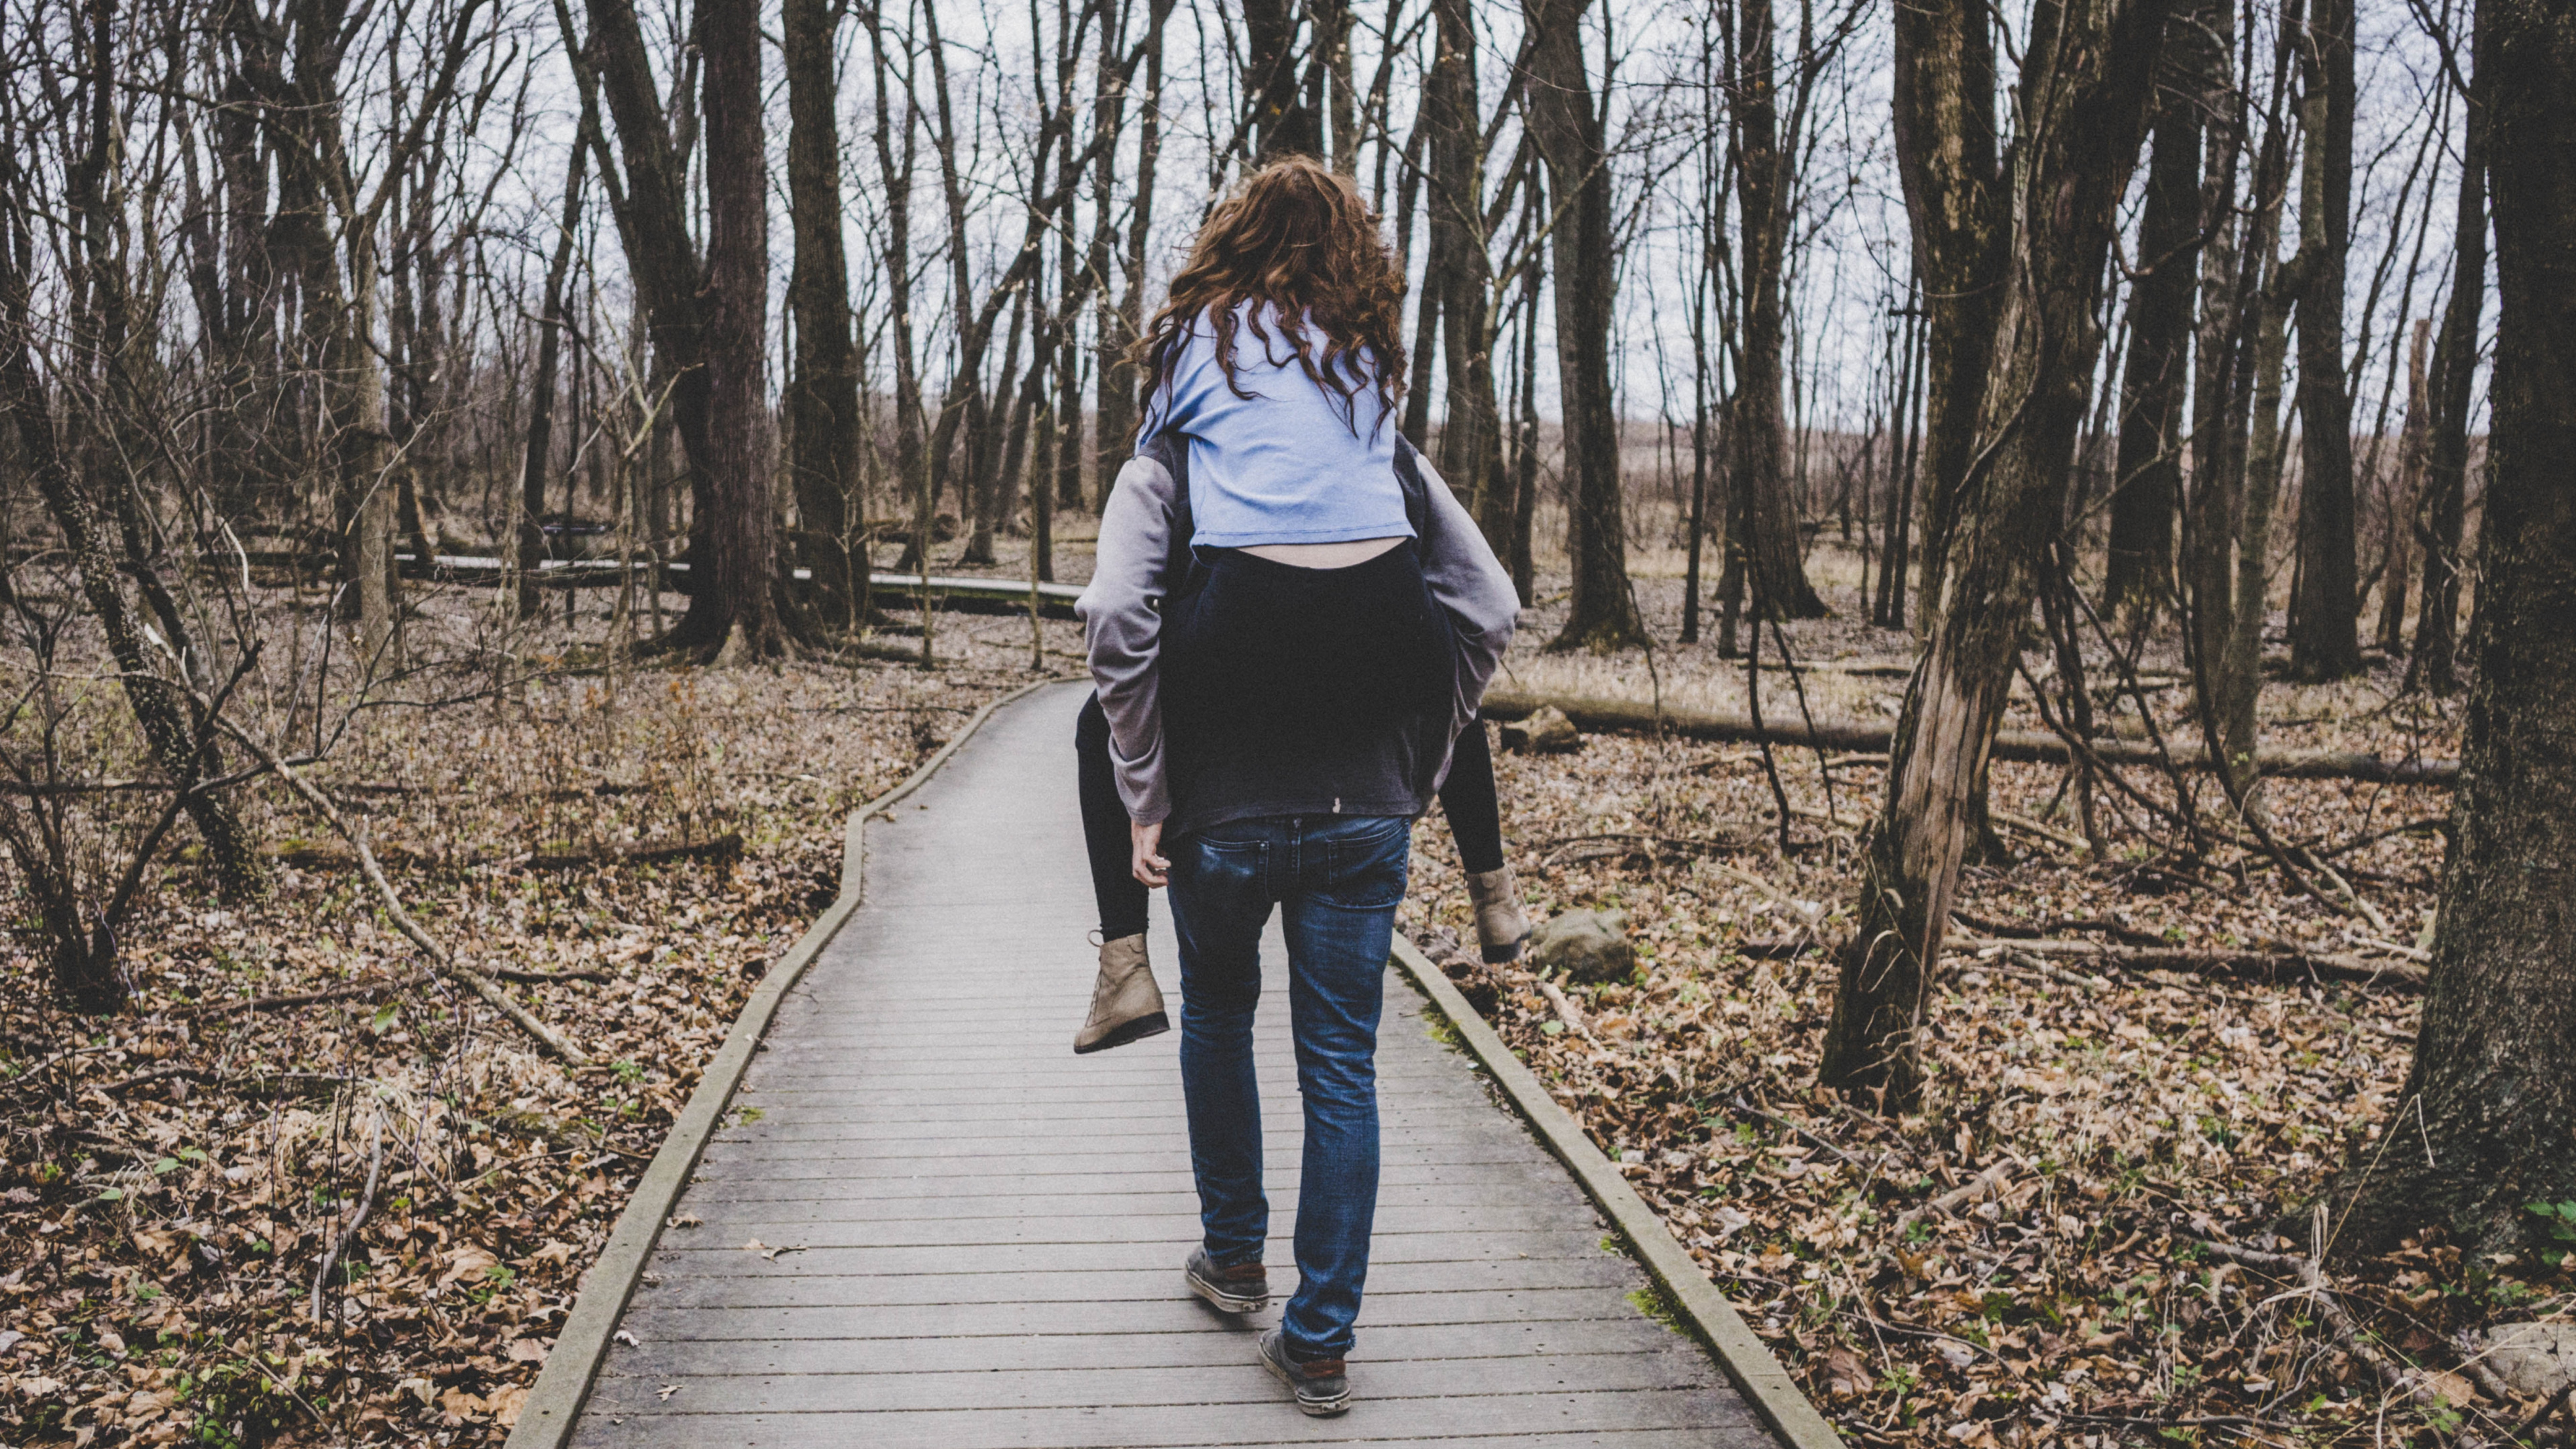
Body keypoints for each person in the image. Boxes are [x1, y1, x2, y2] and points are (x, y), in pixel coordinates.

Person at [1075, 156, 1519, 1418]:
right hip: (1363, 810)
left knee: (1217, 1010)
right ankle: (1320, 1342)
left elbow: (1117, 608)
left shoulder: (1181, 402)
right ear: (1353, 267)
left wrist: (1145, 791)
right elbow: (1488, 605)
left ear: (1224, 254)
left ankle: (1231, 1261)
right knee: (1343, 1065)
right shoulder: (1373, 400)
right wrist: (1417, 767)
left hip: (1222, 810)